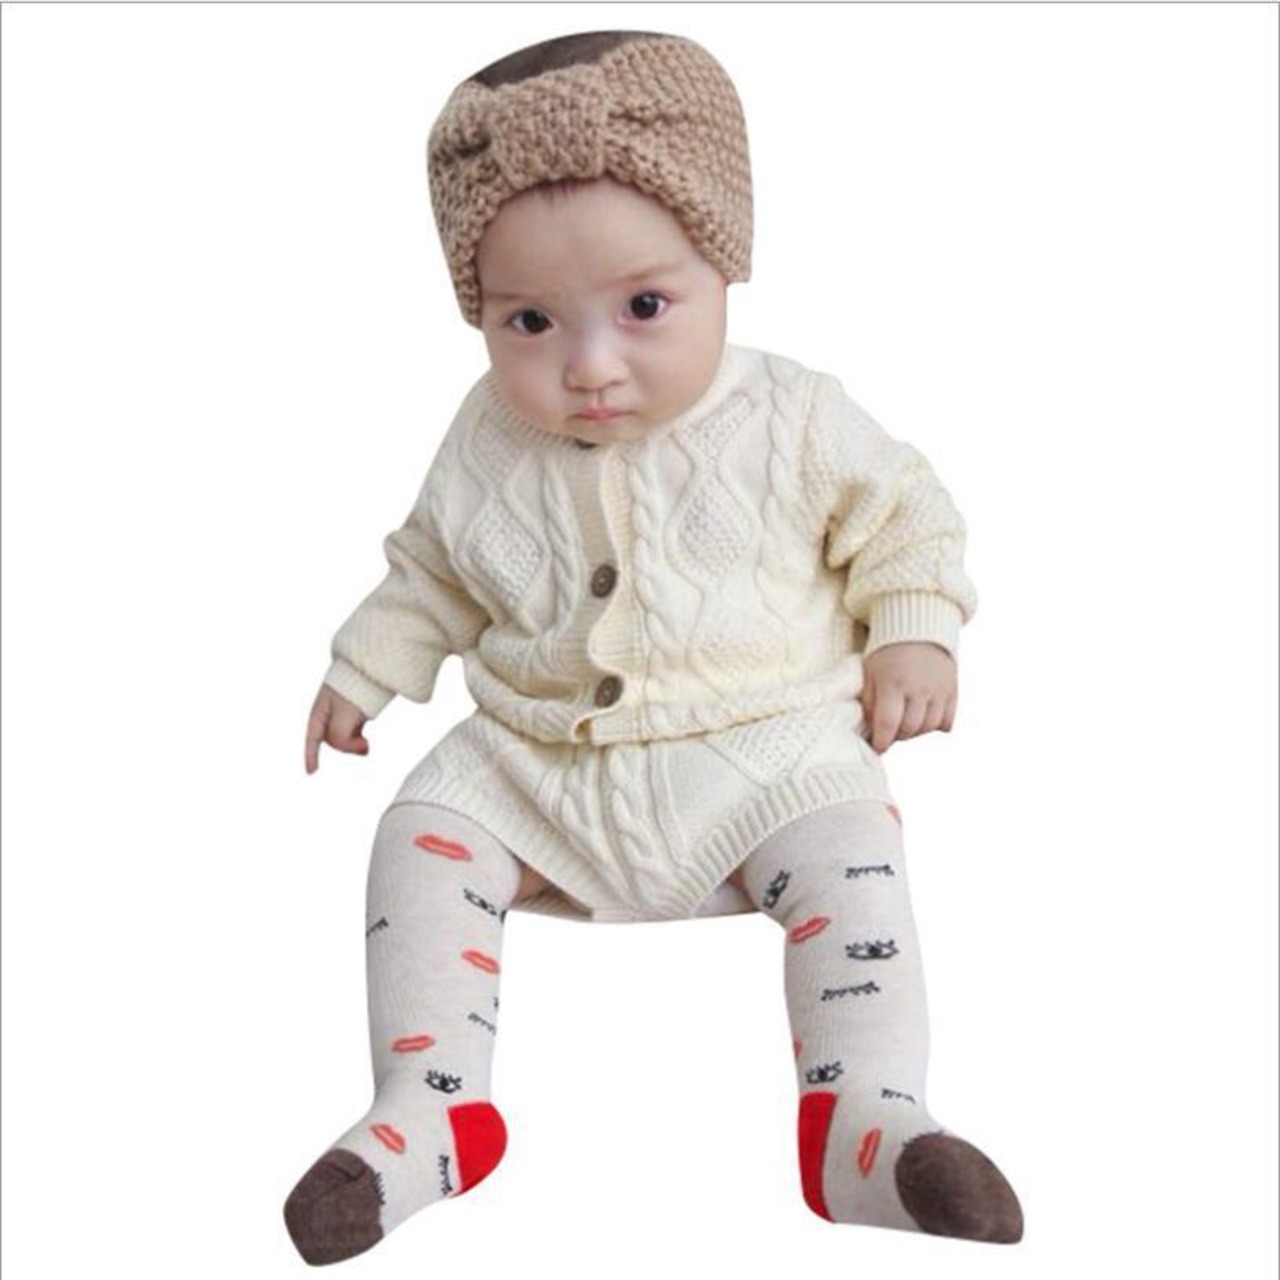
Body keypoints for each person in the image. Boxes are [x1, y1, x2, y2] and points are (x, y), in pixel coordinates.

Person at [283, 30, 1023, 1266]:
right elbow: (433, 569)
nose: (588, 367)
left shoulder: (792, 417)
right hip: (540, 767)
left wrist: (912, 630)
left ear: (723, 263)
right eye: (529, 320)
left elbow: (905, 517)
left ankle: (866, 1119)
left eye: (641, 307)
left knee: (854, 853)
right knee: (420, 836)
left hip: (764, 755)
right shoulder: (483, 435)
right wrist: (363, 669)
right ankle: (429, 1105)